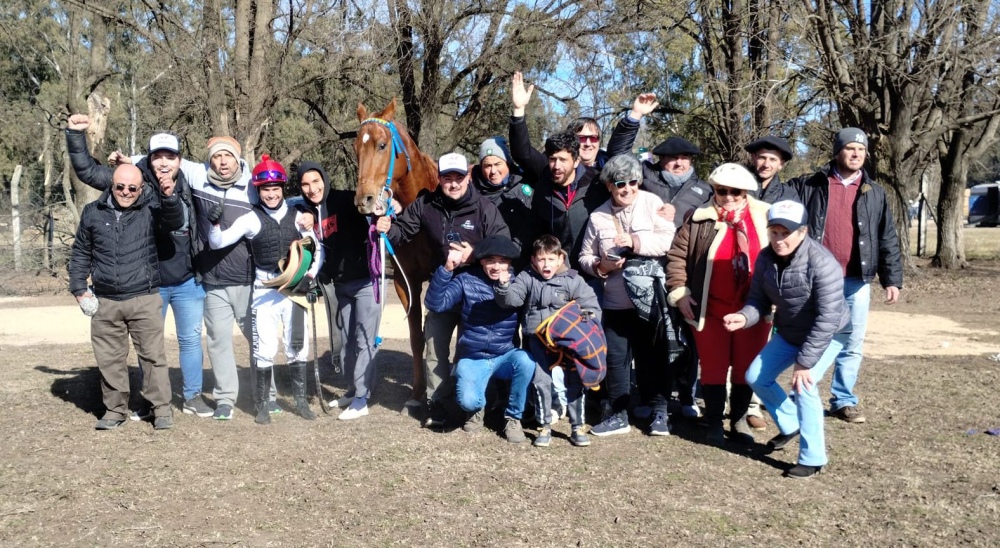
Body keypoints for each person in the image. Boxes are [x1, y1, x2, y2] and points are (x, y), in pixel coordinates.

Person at [66, 115, 212, 419]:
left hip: (186, 278)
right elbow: (88, 171)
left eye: (169, 156)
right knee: (149, 351)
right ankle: (149, 402)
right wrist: (76, 136)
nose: (163, 162)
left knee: (189, 341)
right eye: (157, 156)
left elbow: (226, 180)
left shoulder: (191, 179)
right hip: (149, 283)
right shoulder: (134, 181)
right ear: (148, 159)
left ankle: (193, 396)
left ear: (179, 160)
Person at [118, 137, 267, 420]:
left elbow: (277, 199)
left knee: (258, 339)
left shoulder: (252, 185)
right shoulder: (198, 176)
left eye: (228, 156)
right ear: (207, 160)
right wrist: (129, 161)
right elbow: (163, 161)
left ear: (239, 159)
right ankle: (221, 398)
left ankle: (265, 394)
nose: (223, 162)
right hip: (210, 279)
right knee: (217, 342)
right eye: (217, 156)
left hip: (245, 279)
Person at [376, 152, 510, 428]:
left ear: (468, 177)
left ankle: (471, 405)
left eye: (458, 178)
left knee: (471, 350)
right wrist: (387, 228)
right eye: (447, 178)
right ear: (439, 179)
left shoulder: (484, 208)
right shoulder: (426, 204)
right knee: (435, 344)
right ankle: (437, 404)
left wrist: (475, 254)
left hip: (477, 289)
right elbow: (403, 232)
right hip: (444, 285)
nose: (453, 184)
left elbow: (504, 244)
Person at [724, 200, 850, 479]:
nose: (779, 239)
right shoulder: (766, 258)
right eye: (775, 232)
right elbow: (758, 300)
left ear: (802, 232)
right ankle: (791, 423)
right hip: (791, 331)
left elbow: (828, 318)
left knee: (804, 386)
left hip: (829, 333)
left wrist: (805, 363)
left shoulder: (822, 262)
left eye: (786, 233)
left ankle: (813, 457)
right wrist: (744, 317)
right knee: (755, 375)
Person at [788, 128, 903, 423]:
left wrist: (892, 279)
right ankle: (798, 393)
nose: (856, 154)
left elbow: (886, 236)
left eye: (861, 150)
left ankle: (843, 400)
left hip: (856, 280)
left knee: (851, 343)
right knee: (810, 337)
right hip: (816, 278)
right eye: (850, 148)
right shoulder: (811, 185)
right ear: (838, 151)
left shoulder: (874, 192)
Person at [208, 155, 322, 424]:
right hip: (264, 290)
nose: (271, 194)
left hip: (294, 289)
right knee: (265, 348)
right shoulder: (251, 219)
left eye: (275, 189)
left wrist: (311, 276)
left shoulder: (299, 218)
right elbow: (217, 242)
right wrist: (214, 224)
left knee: (297, 346)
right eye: (265, 190)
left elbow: (316, 250)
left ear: (283, 188)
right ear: (258, 191)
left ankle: (301, 402)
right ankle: (261, 405)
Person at [68, 164, 183, 430]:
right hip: (105, 300)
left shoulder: (152, 210)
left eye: (132, 188)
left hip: (144, 296)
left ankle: (161, 409)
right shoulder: (92, 213)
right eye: (120, 186)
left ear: (141, 189)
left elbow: (174, 221)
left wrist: (169, 196)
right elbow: (81, 252)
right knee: (109, 359)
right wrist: (78, 288)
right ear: (111, 185)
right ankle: (115, 410)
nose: (126, 192)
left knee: (153, 357)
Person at [665, 163, 773, 445]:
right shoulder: (698, 218)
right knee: (713, 366)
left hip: (754, 308)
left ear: (745, 192)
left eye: (735, 192)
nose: (727, 197)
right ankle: (713, 419)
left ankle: (738, 420)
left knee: (746, 367)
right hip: (710, 308)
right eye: (721, 190)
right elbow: (677, 256)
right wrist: (681, 291)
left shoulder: (765, 217)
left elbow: (783, 257)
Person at [579, 155, 676, 436]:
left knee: (654, 357)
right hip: (615, 300)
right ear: (609, 185)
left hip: (650, 300)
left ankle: (660, 413)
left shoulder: (653, 203)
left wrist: (636, 242)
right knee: (616, 359)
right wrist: (601, 266)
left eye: (633, 182)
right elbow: (585, 256)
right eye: (620, 183)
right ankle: (618, 413)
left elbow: (668, 241)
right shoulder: (597, 216)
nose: (627, 189)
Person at [494, 235, 602, 447]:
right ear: (534, 260)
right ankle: (544, 426)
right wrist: (504, 286)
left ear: (560, 259)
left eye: (551, 259)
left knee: (575, 380)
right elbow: (512, 300)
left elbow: (591, 306)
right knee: (541, 381)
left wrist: (584, 322)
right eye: (541, 259)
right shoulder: (527, 277)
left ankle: (577, 427)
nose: (546, 264)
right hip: (537, 339)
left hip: (567, 341)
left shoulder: (573, 280)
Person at [425, 235, 534, 444]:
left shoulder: (519, 282)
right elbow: (435, 304)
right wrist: (447, 268)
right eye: (490, 260)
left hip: (505, 354)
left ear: (510, 263)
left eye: (502, 261)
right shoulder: (466, 280)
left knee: (526, 362)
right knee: (467, 401)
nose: (496, 266)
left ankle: (513, 417)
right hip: (473, 356)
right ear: (481, 261)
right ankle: (476, 408)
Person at [293, 162, 378, 420]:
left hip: (365, 282)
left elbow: (372, 205)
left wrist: (389, 209)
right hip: (338, 286)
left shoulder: (343, 199)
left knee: (365, 340)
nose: (312, 188)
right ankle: (353, 390)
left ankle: (362, 399)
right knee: (346, 342)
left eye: (316, 181)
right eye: (306, 184)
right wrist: (305, 211)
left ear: (325, 179)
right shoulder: (306, 210)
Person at [510, 71, 656, 172]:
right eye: (581, 138)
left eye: (592, 138)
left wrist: (636, 114)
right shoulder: (554, 167)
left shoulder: (610, 166)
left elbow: (620, 148)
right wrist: (519, 109)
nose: (587, 143)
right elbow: (523, 154)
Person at [470, 136, 535, 268]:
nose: (493, 171)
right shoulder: (473, 194)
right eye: (487, 166)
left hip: (526, 264)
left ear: (507, 163)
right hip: (490, 266)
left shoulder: (525, 185)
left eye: (497, 164)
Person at [638, 136, 714, 228]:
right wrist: (631, 122)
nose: (679, 164)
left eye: (684, 158)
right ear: (662, 158)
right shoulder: (644, 175)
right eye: (674, 158)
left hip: (685, 242)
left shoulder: (706, 191)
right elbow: (620, 153)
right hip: (647, 240)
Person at [744, 136, 800, 205]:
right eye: (762, 158)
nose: (766, 165)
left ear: (781, 164)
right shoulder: (735, 189)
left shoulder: (789, 197)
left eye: (773, 160)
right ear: (753, 158)